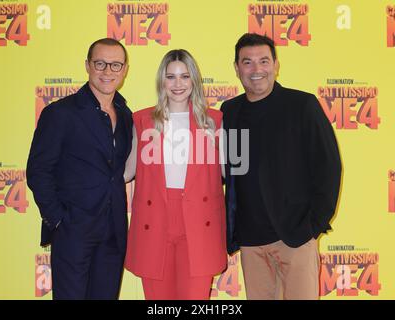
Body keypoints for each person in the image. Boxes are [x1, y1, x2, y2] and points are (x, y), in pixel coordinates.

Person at [221, 33, 342, 300]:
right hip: (250, 241)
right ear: (236, 67)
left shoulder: (302, 105)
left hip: (295, 236)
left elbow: (328, 167)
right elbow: (228, 170)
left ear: (276, 64)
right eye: (247, 62)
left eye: (264, 61)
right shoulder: (229, 111)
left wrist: (313, 226)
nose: (256, 70)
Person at [27, 38, 133, 300]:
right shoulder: (61, 113)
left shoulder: (126, 113)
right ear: (87, 65)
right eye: (100, 63)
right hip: (73, 230)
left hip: (114, 230)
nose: (108, 71)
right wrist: (60, 220)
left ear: (124, 70)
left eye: (115, 65)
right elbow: (38, 170)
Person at [124, 49, 227, 300]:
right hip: (154, 220)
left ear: (194, 80)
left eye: (184, 76)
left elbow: (231, 173)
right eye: (171, 77)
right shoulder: (142, 120)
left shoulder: (215, 121)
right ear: (162, 81)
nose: (178, 84)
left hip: (200, 222)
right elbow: (126, 172)